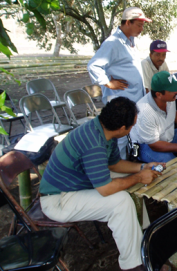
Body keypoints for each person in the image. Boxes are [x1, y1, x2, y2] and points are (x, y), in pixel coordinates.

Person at [39, 97, 167, 271]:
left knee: (126, 182)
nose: (133, 128)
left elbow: (114, 164)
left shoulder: (104, 130)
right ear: (122, 128)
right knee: (121, 201)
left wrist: (142, 167)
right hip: (58, 200)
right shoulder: (93, 142)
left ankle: (142, 237)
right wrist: (138, 177)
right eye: (132, 125)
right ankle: (135, 265)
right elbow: (105, 189)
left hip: (76, 185)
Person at [87, 7, 151, 159]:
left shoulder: (129, 41)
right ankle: (117, 168)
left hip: (132, 97)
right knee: (119, 136)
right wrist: (108, 82)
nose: (142, 29)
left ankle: (125, 163)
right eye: (139, 25)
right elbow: (93, 66)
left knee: (129, 133)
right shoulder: (113, 43)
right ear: (128, 22)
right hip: (120, 99)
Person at [130, 71, 177, 163]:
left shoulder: (169, 98)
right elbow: (154, 145)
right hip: (147, 145)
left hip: (167, 136)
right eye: (172, 90)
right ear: (159, 94)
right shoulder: (144, 111)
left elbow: (173, 113)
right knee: (170, 162)